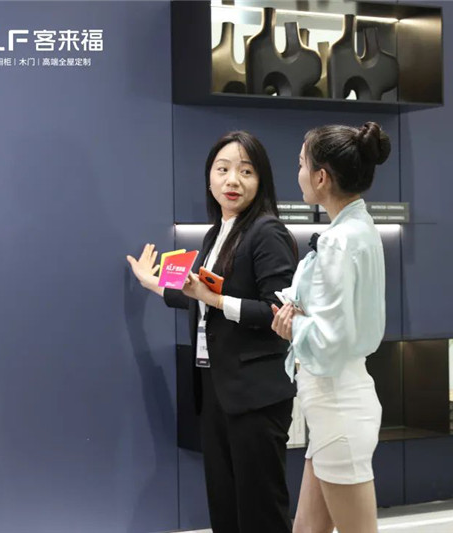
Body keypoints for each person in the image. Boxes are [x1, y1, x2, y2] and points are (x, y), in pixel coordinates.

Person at [127, 131, 297, 533]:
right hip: (217, 389)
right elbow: (200, 297)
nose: (232, 180)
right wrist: (155, 284)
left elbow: (278, 311)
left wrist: (215, 299)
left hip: (255, 395)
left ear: (262, 180)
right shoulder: (215, 233)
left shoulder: (267, 232)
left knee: (260, 511)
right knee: (224, 506)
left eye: (246, 171)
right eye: (222, 170)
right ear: (209, 177)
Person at [271, 121, 390, 533]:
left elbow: (330, 340)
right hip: (334, 406)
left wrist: (293, 327)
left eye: (301, 164)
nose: (298, 173)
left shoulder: (341, 240)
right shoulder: (358, 228)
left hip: (337, 406)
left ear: (321, 177)